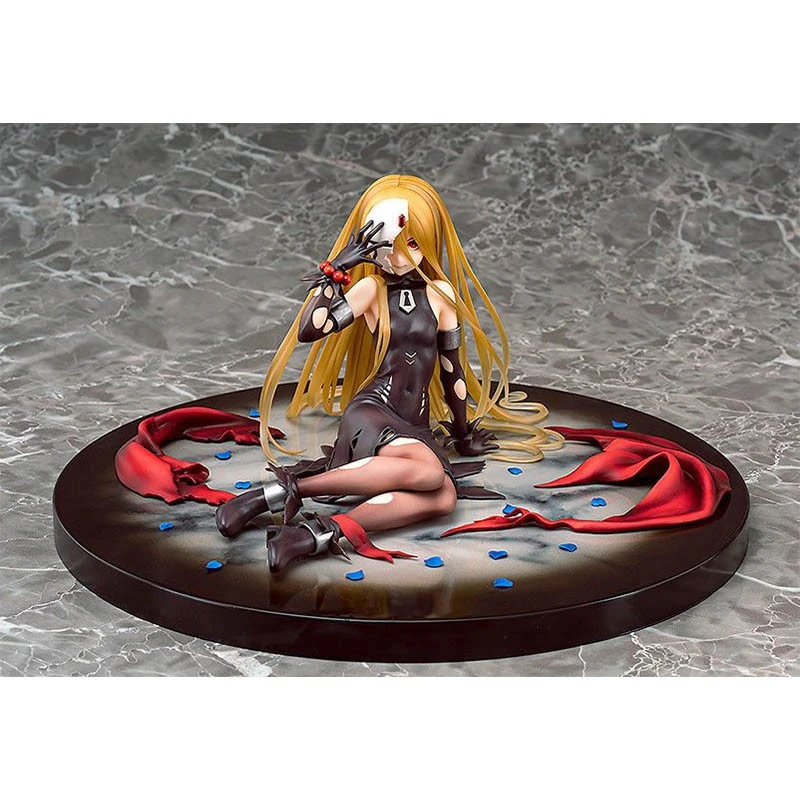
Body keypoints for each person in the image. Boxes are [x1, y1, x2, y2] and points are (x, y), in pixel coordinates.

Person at [215, 175, 562, 571]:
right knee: (429, 475)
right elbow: (310, 329)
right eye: (388, 246)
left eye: (411, 244)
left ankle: (313, 534)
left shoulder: (442, 294)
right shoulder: (371, 290)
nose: (397, 258)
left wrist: (463, 433)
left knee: (443, 497)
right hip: (374, 409)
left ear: (428, 241)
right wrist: (336, 269)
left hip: (415, 424)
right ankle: (286, 490)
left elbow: (451, 371)